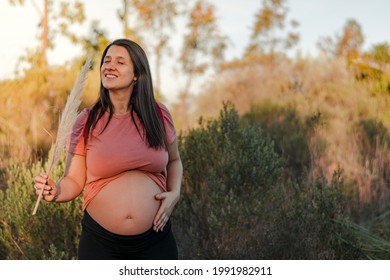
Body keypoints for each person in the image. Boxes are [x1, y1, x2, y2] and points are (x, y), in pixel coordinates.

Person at [34, 39, 183, 260]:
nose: (110, 65)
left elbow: (174, 161)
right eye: (107, 60)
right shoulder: (86, 120)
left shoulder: (158, 114)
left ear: (136, 74)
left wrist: (175, 193)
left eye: (120, 61)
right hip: (101, 244)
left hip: (156, 239)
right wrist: (55, 191)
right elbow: (74, 180)